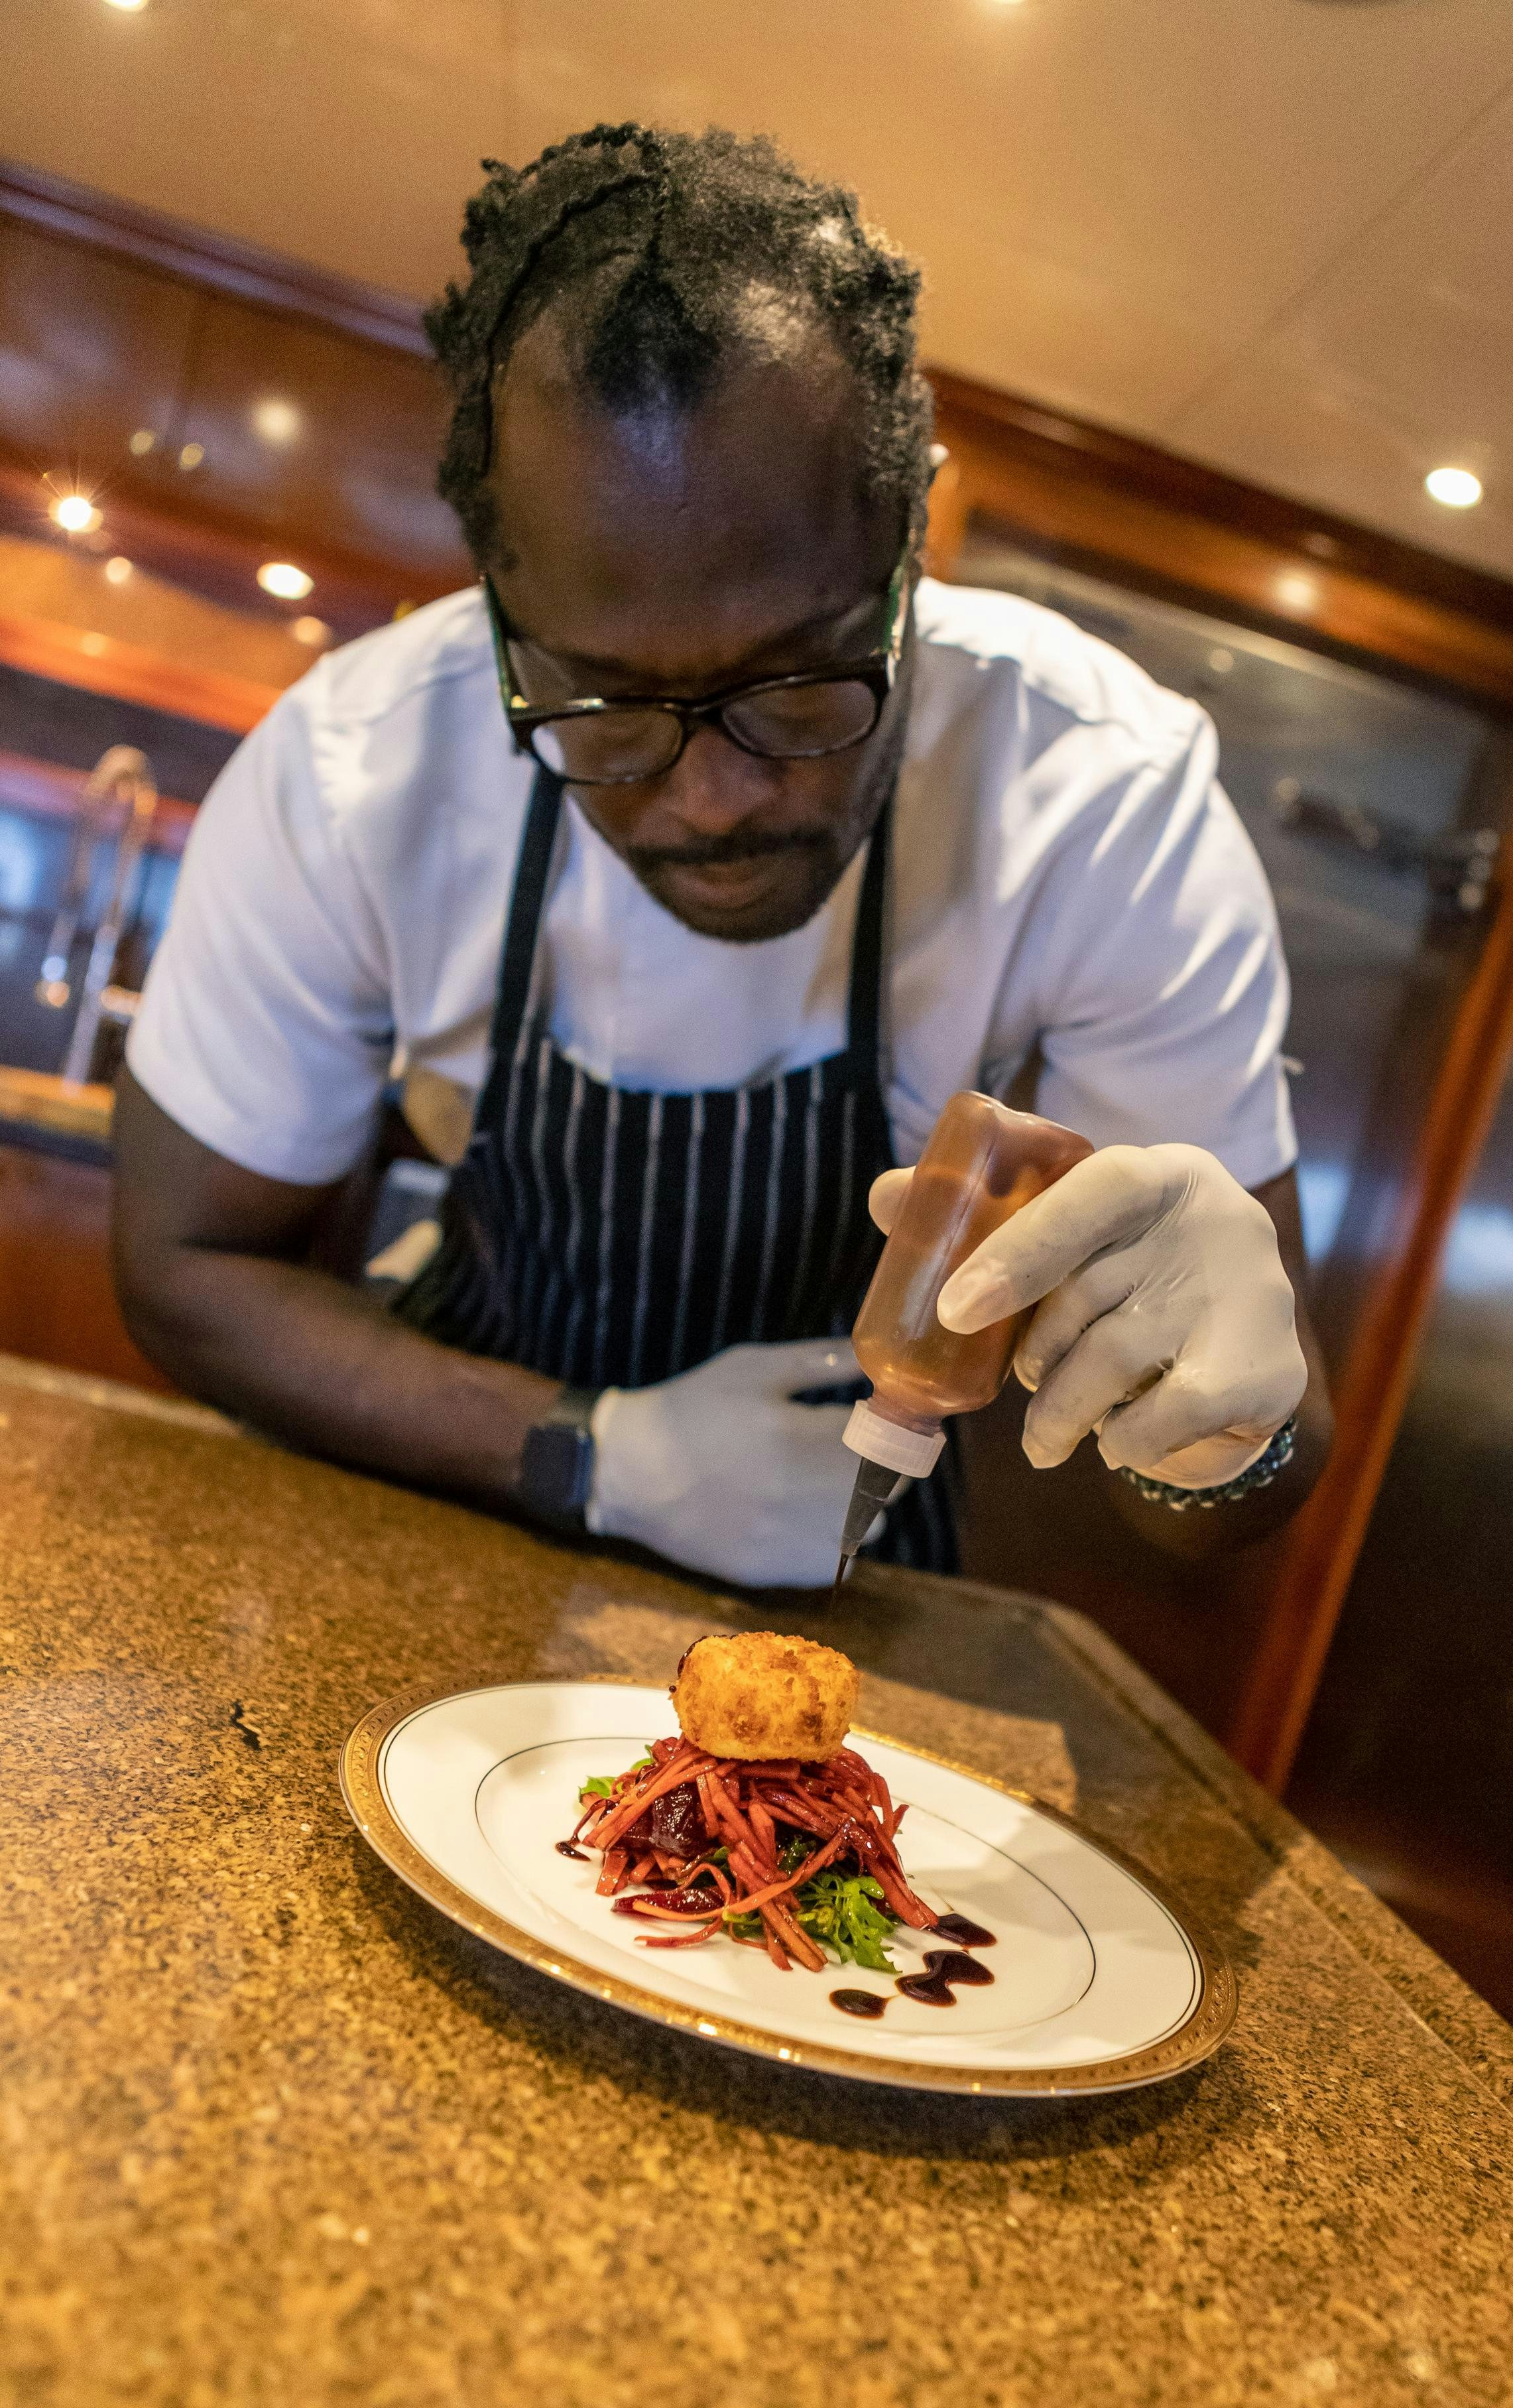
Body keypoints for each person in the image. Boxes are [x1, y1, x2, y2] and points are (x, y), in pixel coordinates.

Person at [113, 123, 1330, 1590]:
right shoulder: (354, 769)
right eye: (608, 705)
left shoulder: (1100, 802)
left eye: (794, 688)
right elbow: (182, 1268)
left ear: (908, 549)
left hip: (850, 1555)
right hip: (456, 1509)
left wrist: (1223, 1438)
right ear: (501, 601)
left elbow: (1245, 1479)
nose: (711, 801)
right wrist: (590, 1450)